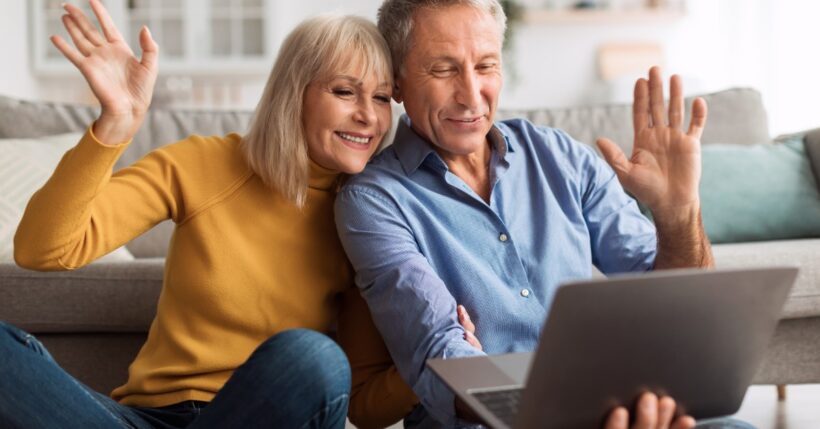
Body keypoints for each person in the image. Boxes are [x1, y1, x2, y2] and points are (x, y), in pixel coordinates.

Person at [2, 0, 419, 427]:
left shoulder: (367, 219)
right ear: (294, 92)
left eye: (383, 98)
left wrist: (437, 364)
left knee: (315, 359)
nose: (369, 115)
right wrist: (115, 125)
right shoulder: (203, 163)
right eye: (345, 91)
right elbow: (43, 249)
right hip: (145, 419)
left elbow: (364, 406)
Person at [335, 0, 751, 428]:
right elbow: (440, 356)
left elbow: (677, 312)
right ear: (398, 81)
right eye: (443, 70)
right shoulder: (373, 200)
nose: (472, 95)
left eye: (485, 66)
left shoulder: (560, 154)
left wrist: (678, 213)